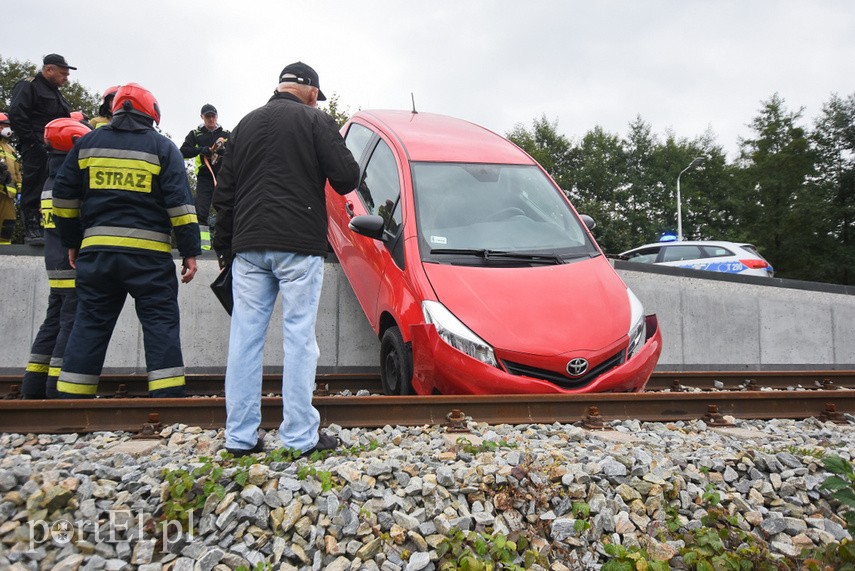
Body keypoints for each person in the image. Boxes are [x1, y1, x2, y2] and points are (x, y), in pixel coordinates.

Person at [213, 61, 359, 457]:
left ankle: (240, 438)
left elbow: (223, 195)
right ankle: (299, 436)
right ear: (311, 92)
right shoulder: (315, 121)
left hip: (248, 247)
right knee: (298, 339)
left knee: (244, 339)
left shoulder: (244, 125)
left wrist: (224, 251)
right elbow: (347, 177)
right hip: (298, 244)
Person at [52, 83, 201, 398]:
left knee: (89, 322)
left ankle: (71, 398)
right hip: (149, 258)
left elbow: (63, 198)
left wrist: (72, 241)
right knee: (160, 323)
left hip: (97, 254)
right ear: (152, 113)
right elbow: (181, 206)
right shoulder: (163, 148)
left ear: (116, 109)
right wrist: (190, 252)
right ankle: (168, 396)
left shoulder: (87, 143)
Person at [21, 118, 91, 398]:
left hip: (55, 263)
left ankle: (33, 384)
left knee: (52, 322)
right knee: (70, 324)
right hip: (72, 263)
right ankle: (55, 388)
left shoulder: (50, 178)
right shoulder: (70, 179)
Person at [9, 53, 74, 246]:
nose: (66, 78)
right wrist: (31, 143)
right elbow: (17, 114)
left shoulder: (56, 92)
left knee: (51, 188)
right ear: (48, 70)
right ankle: (31, 228)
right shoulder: (29, 86)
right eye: (63, 73)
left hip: (56, 149)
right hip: (36, 145)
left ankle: (47, 227)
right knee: (34, 185)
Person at [180, 104, 230, 250]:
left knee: (226, 210)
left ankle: (225, 246)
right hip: (204, 178)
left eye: (213, 115)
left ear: (217, 116)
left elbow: (237, 151)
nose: (211, 119)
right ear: (202, 117)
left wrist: (223, 152)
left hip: (223, 178)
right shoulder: (196, 134)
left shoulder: (226, 134)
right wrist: (200, 150)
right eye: (207, 116)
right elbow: (183, 151)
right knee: (201, 212)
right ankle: (204, 248)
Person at [0, 112, 21, 244]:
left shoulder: (10, 149)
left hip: (8, 195)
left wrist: (20, 190)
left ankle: (5, 259)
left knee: (7, 225)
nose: (7, 129)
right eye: (3, 126)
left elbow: (17, 172)